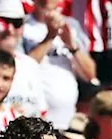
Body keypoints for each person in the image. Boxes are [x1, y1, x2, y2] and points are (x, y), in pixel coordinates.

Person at [23, 0, 98, 129]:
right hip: (35, 119)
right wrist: (50, 37)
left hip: (67, 119)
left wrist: (72, 46)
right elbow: (23, 69)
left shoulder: (72, 25)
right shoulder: (22, 25)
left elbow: (90, 74)